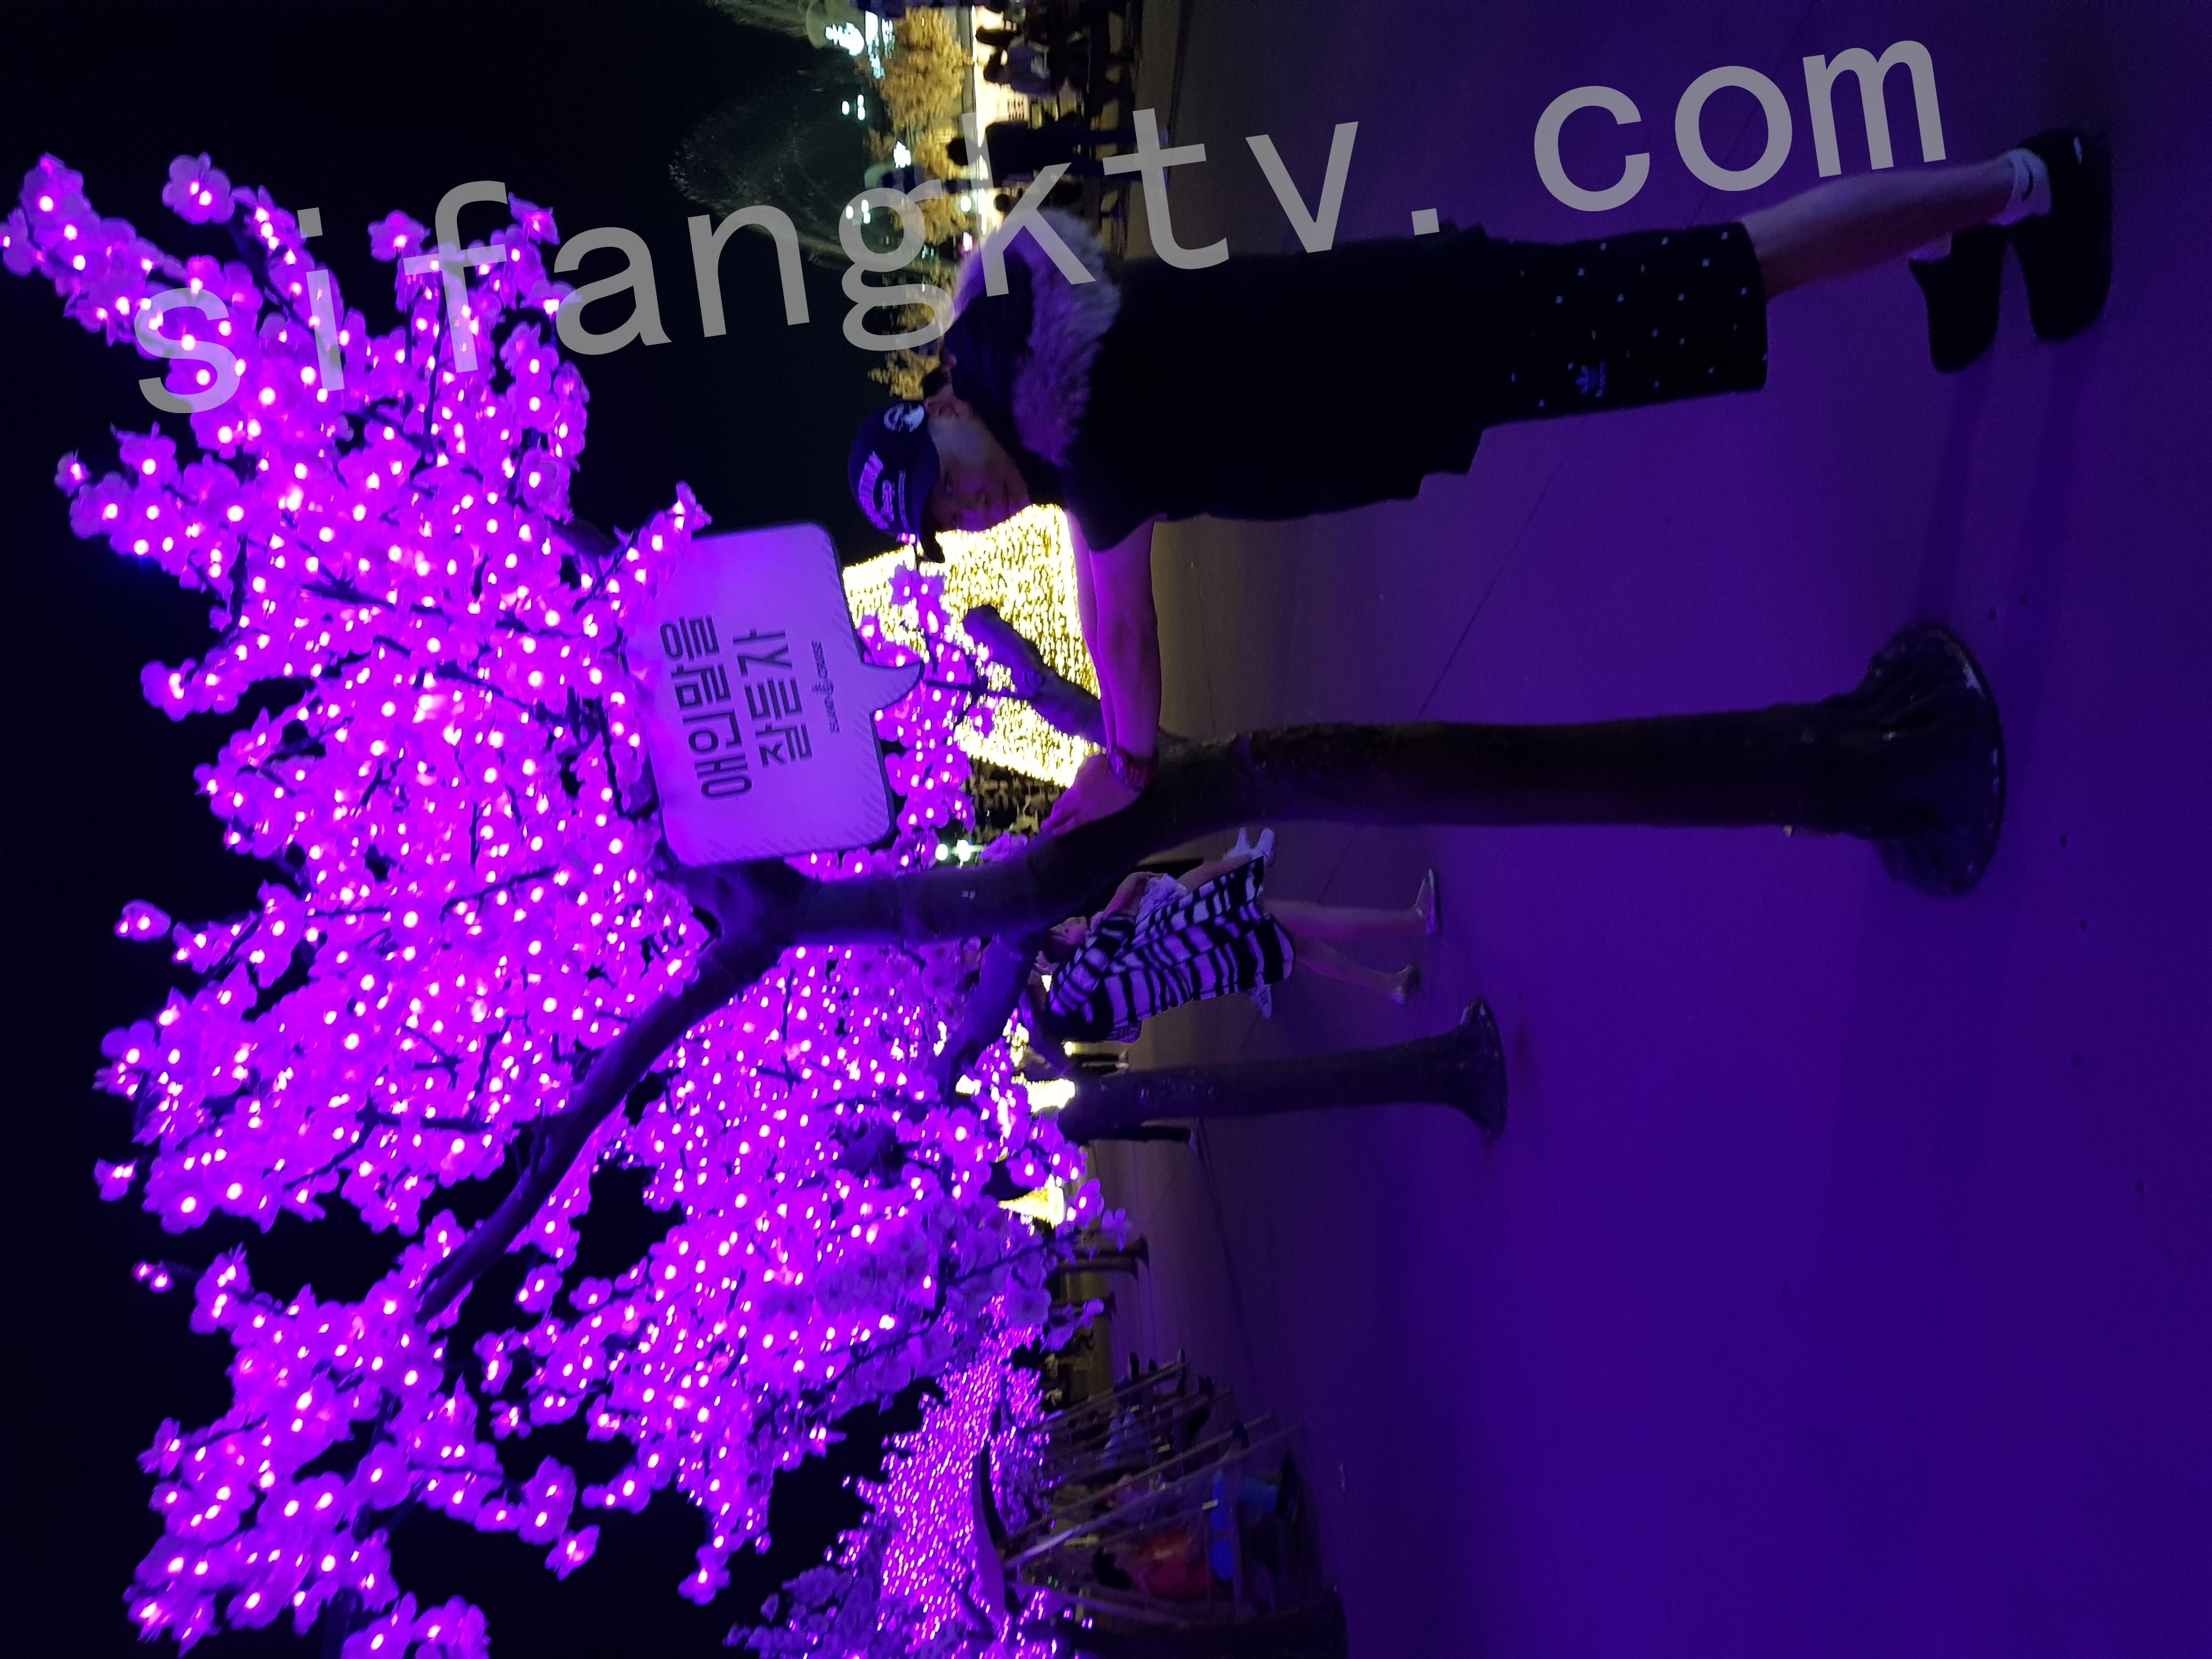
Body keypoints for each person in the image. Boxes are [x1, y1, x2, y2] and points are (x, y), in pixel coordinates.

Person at [847, 128, 2112, 835]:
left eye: (943, 484)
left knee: (1738, 271)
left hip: (1434, 341)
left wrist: (1119, 775)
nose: (966, 514)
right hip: (1419, 337)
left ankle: (2032, 183)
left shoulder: (1079, 418)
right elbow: (1094, 552)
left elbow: (1121, 622)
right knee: (1727, 281)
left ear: (946, 409)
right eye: (945, 524)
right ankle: (1962, 234)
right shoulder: (1039, 362)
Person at [1030, 831, 1440, 1045]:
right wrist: (1121, 904)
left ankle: (1390, 985)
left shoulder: (1068, 1018)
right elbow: (1117, 930)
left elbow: (1131, 1028)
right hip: (1201, 937)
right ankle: (1416, 920)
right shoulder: (1068, 988)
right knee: (1310, 920)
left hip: (1205, 968)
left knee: (1302, 946)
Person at [951, 123, 1141, 184]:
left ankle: (1142, 173)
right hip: (1050, 136)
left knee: (1100, 169)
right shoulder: (992, 130)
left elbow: (1027, 177)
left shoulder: (996, 173)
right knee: (1099, 137)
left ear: (968, 163)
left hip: (1051, 162)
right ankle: (1143, 136)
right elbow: (1023, 123)